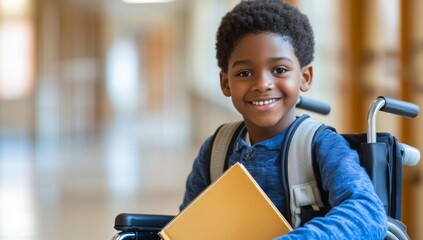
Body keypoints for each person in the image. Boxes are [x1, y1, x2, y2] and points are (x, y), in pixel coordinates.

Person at [180, 0, 387, 239]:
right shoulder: (215, 151)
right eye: (245, 73)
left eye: (279, 70)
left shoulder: (320, 146)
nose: (262, 84)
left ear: (305, 77)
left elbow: (368, 213)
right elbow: (190, 225)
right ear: (226, 83)